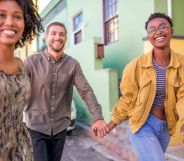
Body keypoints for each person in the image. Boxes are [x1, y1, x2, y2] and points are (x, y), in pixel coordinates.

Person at [104, 12, 184, 161]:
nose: (158, 32)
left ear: (171, 31)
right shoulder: (135, 66)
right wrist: (111, 124)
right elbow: (127, 99)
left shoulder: (182, 63)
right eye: (152, 30)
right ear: (148, 37)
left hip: (166, 128)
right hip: (142, 125)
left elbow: (183, 96)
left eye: (163, 26)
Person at [24, 21, 107, 161]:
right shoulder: (32, 62)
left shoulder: (73, 65)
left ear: (66, 39)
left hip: (60, 128)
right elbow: (19, 90)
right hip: (36, 127)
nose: (58, 37)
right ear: (46, 37)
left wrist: (98, 117)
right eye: (53, 33)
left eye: (61, 34)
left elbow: (85, 91)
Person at [0, 0, 43, 161]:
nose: (10, 22)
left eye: (17, 17)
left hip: (21, 151)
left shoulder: (21, 66)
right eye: (1, 15)